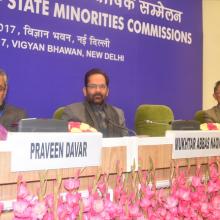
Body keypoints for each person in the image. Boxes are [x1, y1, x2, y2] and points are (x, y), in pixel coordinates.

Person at [61, 68, 128, 137]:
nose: (98, 90)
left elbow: (125, 143)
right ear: (85, 91)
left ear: (107, 91)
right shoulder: (72, 112)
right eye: (92, 86)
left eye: (102, 86)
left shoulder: (118, 113)